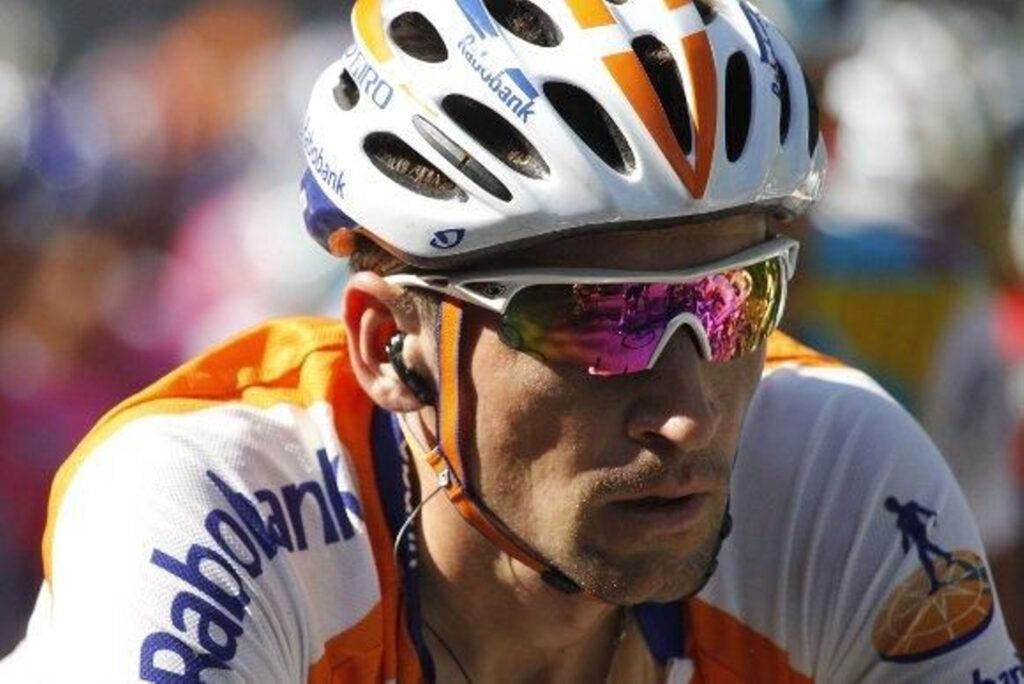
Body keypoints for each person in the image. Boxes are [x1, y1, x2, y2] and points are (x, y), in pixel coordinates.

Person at [2, 0, 1021, 681]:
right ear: (389, 345)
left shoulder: (840, 470)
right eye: (599, 318)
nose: (687, 412)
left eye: (732, 303)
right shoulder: (209, 511)